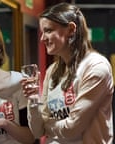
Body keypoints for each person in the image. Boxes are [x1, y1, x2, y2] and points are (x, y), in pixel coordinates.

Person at [21, 2, 114, 144]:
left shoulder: (96, 67)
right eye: (42, 32)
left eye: (49, 31)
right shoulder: (52, 71)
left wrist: (49, 125)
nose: (42, 38)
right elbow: (38, 131)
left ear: (71, 29)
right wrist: (33, 100)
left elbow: (73, 127)